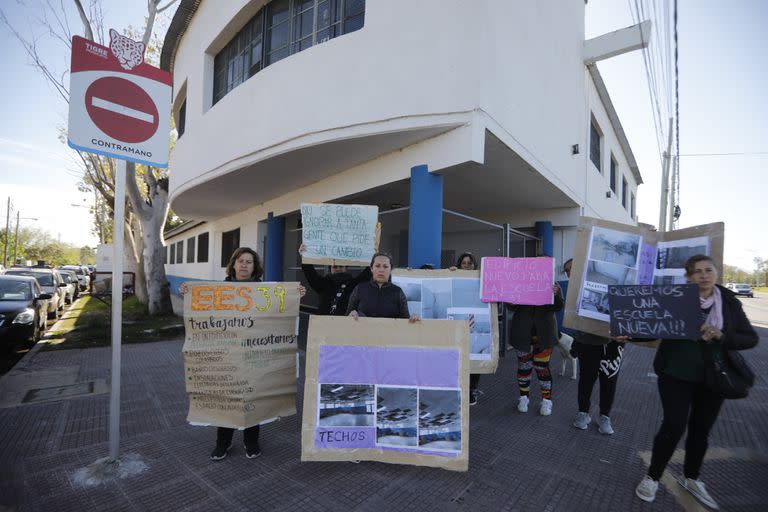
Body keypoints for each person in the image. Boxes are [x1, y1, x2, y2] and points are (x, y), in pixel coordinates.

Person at [635, 255, 758, 508]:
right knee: (674, 425)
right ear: (688, 277)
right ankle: (653, 477)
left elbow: (750, 338)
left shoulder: (729, 302)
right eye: (697, 271)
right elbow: (655, 326)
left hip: (713, 377)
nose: (704, 275)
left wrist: (722, 336)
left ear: (716, 273)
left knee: (701, 429)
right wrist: (629, 334)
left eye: (708, 270)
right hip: (675, 374)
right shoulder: (676, 298)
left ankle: (691, 477)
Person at [180, 247, 305, 461]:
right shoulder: (220, 290)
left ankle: (251, 441)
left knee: (253, 397)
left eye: (249, 261)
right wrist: (187, 292)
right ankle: (223, 443)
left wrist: (296, 294)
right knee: (227, 396)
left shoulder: (263, 290)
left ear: (255, 267)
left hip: (254, 356)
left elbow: (279, 311)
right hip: (228, 355)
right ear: (234, 264)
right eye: (241, 261)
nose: (245, 265)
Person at [569, 253, 624, 435]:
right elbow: (574, 320)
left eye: (572, 270)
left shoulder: (615, 284)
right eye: (568, 271)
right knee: (586, 381)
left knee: (609, 382)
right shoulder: (575, 289)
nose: (570, 274)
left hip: (612, 345)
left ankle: (605, 417)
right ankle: (583, 413)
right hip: (587, 343)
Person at [508, 282, 563, 416]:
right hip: (522, 333)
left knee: (542, 367)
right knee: (524, 367)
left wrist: (555, 294)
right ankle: (524, 397)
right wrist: (514, 295)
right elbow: (510, 306)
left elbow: (558, 307)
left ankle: (546, 400)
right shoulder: (519, 282)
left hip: (544, 334)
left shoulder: (552, 283)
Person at [449, 252, 483, 405]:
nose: (467, 266)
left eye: (470, 263)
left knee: (473, 356)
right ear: (459, 265)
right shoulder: (453, 277)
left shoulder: (481, 279)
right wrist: (447, 274)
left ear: (474, 265)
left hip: (474, 321)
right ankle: (459, 388)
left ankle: (472, 389)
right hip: (458, 323)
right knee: (457, 357)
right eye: (464, 263)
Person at [299, 244, 371, 315]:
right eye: (335, 267)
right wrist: (304, 255)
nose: (338, 269)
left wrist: (372, 255)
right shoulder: (323, 283)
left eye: (341, 266)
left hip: (345, 325)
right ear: (330, 269)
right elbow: (310, 272)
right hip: (323, 324)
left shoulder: (353, 284)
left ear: (346, 268)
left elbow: (368, 273)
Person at [347, 252, 418, 322]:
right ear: (371, 268)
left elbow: (405, 321)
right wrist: (351, 315)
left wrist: (412, 319)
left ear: (391, 270)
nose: (381, 270)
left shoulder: (398, 292)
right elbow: (346, 317)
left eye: (385, 266)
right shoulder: (360, 289)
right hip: (363, 333)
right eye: (377, 266)